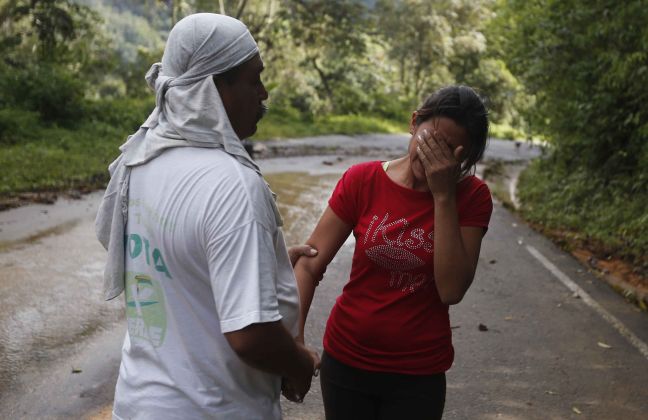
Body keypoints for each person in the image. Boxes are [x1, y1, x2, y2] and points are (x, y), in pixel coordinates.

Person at [95, 13, 318, 419]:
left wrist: (258, 262)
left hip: (139, 404)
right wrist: (300, 364)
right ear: (214, 89)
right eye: (254, 80)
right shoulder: (232, 184)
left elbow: (179, 265)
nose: (264, 93)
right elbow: (250, 336)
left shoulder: (141, 160)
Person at [294, 85, 493, 419]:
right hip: (346, 362)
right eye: (431, 143)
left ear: (466, 157)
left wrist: (443, 195)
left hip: (418, 375)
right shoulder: (362, 180)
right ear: (414, 123)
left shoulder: (472, 197)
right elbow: (309, 264)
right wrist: (295, 343)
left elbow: (451, 289)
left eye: (451, 153)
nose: (435, 160)